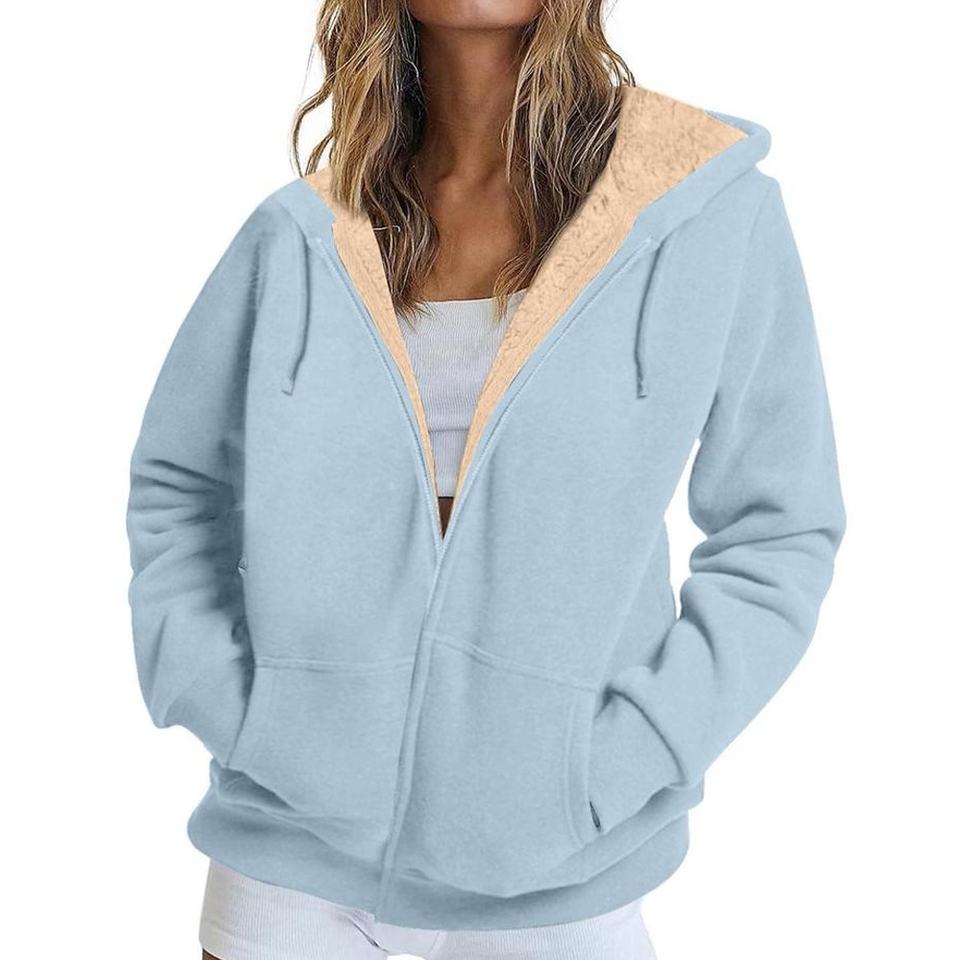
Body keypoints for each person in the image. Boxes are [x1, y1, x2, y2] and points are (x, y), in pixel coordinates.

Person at [124, 1, 846, 957]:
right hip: (288, 867)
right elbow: (177, 486)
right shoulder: (301, 235)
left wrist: (620, 761)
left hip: (560, 879)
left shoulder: (705, 215)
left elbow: (779, 527)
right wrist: (238, 709)